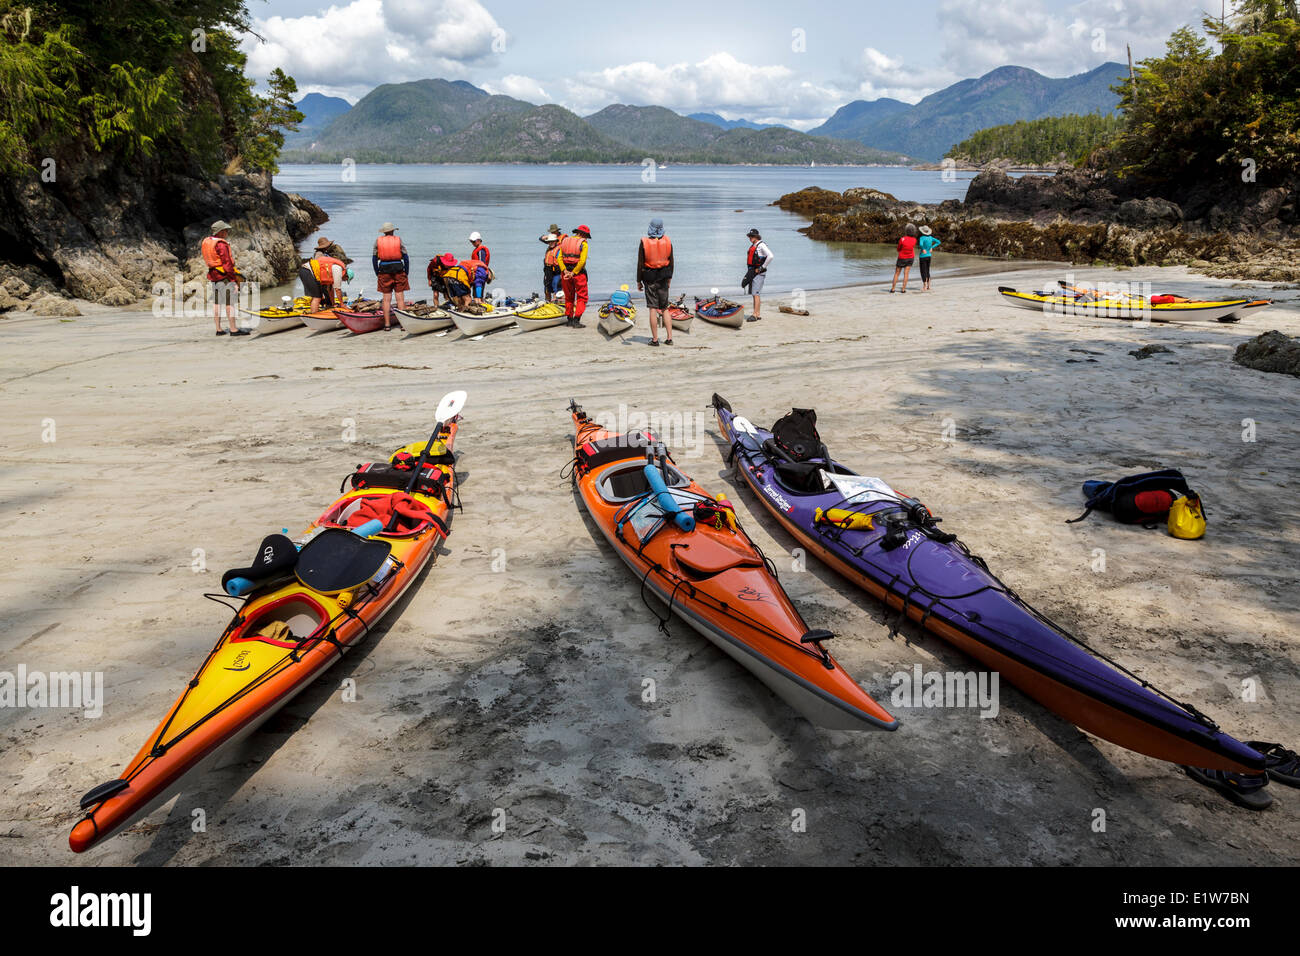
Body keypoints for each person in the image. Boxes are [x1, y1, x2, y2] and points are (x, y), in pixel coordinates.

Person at [201, 220, 246, 336]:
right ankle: (233, 329)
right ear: (220, 232)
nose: (227, 232)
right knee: (229, 303)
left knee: (217, 303)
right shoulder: (221, 244)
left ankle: (219, 329)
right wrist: (233, 281)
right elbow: (227, 264)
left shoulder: (207, 241)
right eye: (225, 230)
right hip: (224, 276)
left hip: (213, 275)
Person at [637, 218, 674, 346]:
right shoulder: (668, 241)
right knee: (665, 309)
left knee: (653, 309)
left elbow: (640, 263)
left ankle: (655, 340)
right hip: (664, 277)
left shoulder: (644, 242)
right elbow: (671, 262)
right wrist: (669, 279)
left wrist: (638, 281)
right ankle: (669, 338)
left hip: (650, 278)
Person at [371, 222, 409, 330]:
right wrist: (406, 271)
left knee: (386, 299)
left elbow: (374, 258)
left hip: (383, 269)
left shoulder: (378, 241)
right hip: (398, 268)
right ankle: (402, 324)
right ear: (392, 231)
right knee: (400, 298)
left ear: (384, 232)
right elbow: (406, 257)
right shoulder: (398, 240)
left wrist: (377, 272)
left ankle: (387, 325)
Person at [300, 237, 348, 312]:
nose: (344, 280)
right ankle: (315, 316)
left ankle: (325, 307)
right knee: (317, 297)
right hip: (311, 272)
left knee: (318, 295)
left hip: (309, 271)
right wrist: (342, 304)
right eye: (346, 279)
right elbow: (337, 289)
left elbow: (330, 289)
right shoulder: (320, 254)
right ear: (345, 274)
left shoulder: (327, 258)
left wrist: (333, 303)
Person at [558, 224, 591, 328]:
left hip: (565, 273)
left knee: (569, 297)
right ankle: (576, 320)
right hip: (578, 274)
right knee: (582, 297)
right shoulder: (584, 244)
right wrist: (573, 272)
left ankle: (569, 320)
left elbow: (559, 258)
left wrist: (565, 271)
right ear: (583, 234)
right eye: (586, 236)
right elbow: (582, 261)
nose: (586, 238)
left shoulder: (565, 241)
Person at [742, 228, 773, 321]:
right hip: (753, 272)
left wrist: (761, 267)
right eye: (749, 236)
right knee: (754, 293)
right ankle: (757, 314)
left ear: (756, 236)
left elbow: (771, 256)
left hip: (758, 273)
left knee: (756, 293)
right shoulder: (754, 245)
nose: (750, 238)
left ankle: (755, 315)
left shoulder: (761, 245)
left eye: (752, 236)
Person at [890, 224, 919, 293]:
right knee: (906, 273)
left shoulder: (902, 239)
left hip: (902, 257)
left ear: (906, 231)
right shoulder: (914, 240)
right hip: (910, 257)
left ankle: (893, 289)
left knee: (897, 273)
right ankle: (903, 289)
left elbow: (898, 249)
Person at [917, 225, 941, 291]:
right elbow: (938, 242)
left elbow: (921, 244)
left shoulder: (922, 238)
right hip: (929, 256)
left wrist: (923, 249)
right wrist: (932, 247)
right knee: (927, 270)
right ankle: (929, 286)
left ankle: (924, 286)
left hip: (922, 256)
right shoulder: (930, 237)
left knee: (923, 271)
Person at [540, 232, 563, 302]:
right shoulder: (549, 249)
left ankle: (558, 301)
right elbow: (540, 239)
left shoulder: (559, 249)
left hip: (557, 271)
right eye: (549, 242)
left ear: (556, 241)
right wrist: (542, 237)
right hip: (548, 271)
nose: (551, 243)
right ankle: (548, 302)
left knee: (556, 285)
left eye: (552, 241)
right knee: (547, 288)